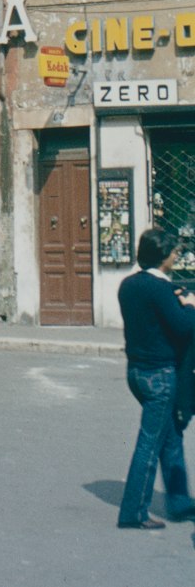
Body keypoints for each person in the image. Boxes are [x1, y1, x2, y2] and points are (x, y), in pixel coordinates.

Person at [117, 225, 195, 529]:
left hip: (136, 370)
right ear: (163, 256)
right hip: (160, 375)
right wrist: (190, 307)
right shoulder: (161, 288)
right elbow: (183, 327)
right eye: (174, 252)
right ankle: (133, 512)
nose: (176, 257)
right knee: (150, 443)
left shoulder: (128, 284)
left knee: (171, 436)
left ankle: (179, 501)